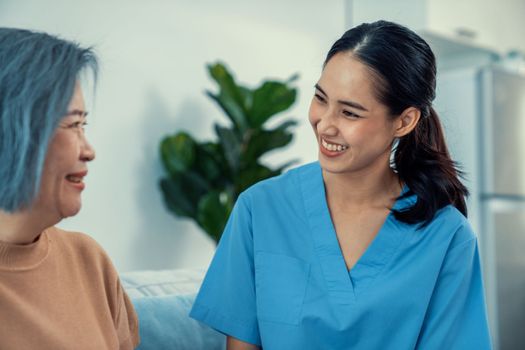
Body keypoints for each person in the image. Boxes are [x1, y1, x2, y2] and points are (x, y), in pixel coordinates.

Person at [190, 20, 492, 349]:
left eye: (349, 113)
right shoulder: (259, 209)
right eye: (321, 99)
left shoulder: (446, 237)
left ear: (404, 121)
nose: (325, 125)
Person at [0, 28, 139, 349]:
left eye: (84, 125)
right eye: (73, 124)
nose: (88, 150)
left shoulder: (89, 260)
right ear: (14, 128)